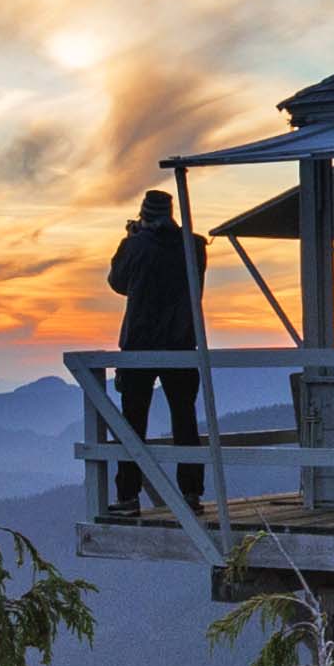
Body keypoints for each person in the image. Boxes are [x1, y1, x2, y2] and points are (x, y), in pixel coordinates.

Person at [104, 189, 206, 514]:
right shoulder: (194, 245)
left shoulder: (135, 246)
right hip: (182, 340)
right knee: (185, 420)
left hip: (139, 343)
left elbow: (118, 282)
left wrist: (131, 239)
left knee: (132, 422)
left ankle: (128, 496)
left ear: (144, 214)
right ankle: (191, 494)